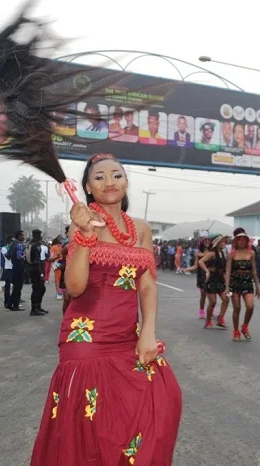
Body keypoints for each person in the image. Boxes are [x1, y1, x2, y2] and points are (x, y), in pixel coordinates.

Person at [31, 153, 182, 465]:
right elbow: (74, 287)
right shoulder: (82, 224)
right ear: (87, 187)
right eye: (99, 177)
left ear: (127, 182)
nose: (109, 181)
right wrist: (86, 235)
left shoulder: (141, 228)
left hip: (128, 335)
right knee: (94, 428)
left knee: (163, 401)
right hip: (86, 338)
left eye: (116, 175)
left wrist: (148, 333)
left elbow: (147, 285)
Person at [225, 229, 260, 341]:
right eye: (239, 239)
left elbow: (254, 270)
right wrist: (227, 287)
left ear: (246, 241)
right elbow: (228, 271)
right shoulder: (231, 254)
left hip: (247, 281)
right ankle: (236, 331)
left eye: (243, 240)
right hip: (234, 282)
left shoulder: (251, 253)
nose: (241, 242)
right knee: (237, 308)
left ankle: (245, 326)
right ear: (236, 241)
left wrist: (257, 287)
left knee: (250, 306)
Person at [199, 235, 230, 329]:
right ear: (217, 243)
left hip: (220, 279)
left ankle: (220, 318)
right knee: (213, 302)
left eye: (225, 241)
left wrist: (226, 280)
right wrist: (207, 271)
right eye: (223, 241)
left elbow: (223, 269)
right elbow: (201, 262)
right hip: (211, 279)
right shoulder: (212, 253)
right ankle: (208, 322)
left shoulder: (222, 254)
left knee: (226, 299)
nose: (225, 243)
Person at [183, 236, 211, 319]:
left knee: (211, 295)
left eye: (208, 240)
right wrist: (186, 269)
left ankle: (211, 310)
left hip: (211, 275)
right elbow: (195, 266)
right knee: (203, 295)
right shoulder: (198, 253)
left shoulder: (212, 252)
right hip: (201, 276)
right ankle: (201, 311)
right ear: (202, 242)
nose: (207, 242)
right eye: (205, 241)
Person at [27, 229, 48, 316]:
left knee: (41, 288)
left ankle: (38, 307)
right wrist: (41, 273)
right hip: (36, 270)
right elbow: (37, 261)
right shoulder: (36, 246)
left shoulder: (29, 244)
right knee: (37, 289)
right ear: (37, 236)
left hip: (31, 268)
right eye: (39, 235)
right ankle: (34, 309)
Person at [7, 230, 26, 311]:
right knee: (18, 288)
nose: (24, 237)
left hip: (14, 266)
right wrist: (25, 255)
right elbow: (19, 257)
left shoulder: (12, 244)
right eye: (23, 235)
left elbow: (7, 255)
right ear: (19, 236)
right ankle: (15, 305)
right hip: (19, 267)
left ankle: (9, 303)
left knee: (16, 287)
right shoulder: (19, 245)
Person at [0, 236, 14, 308]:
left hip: (14, 268)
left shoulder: (14, 247)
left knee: (16, 285)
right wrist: (12, 248)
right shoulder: (4, 248)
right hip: (8, 268)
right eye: (12, 241)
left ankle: (14, 300)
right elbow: (8, 257)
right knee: (7, 286)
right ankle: (6, 301)